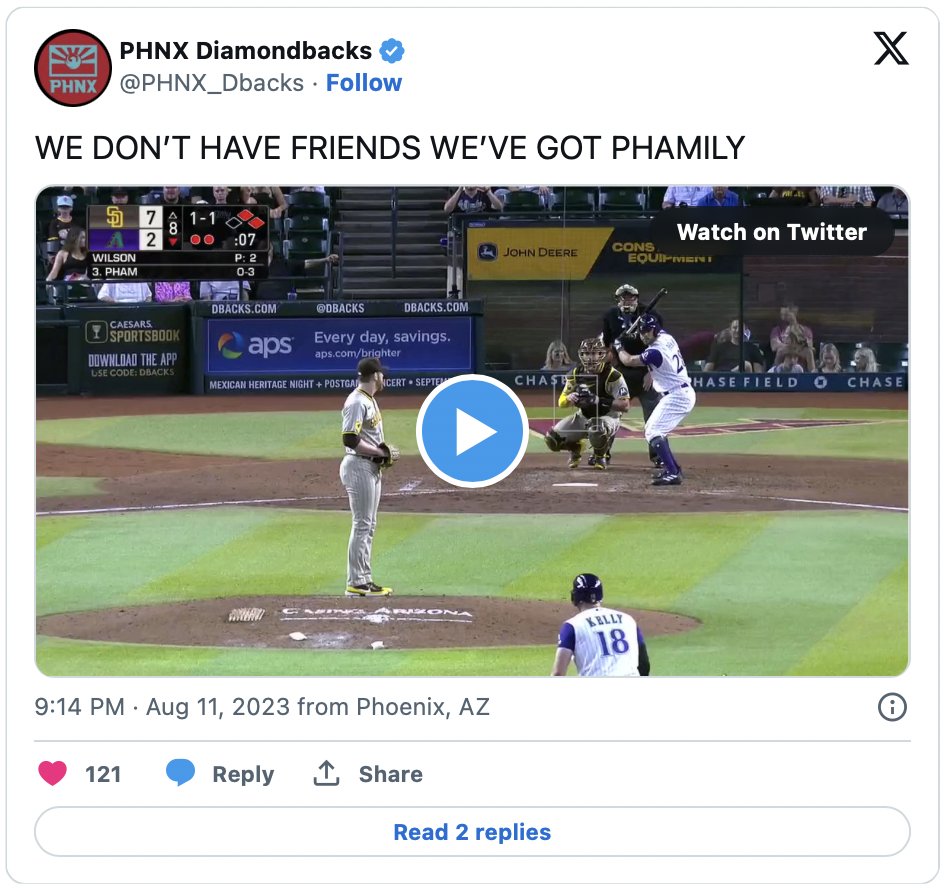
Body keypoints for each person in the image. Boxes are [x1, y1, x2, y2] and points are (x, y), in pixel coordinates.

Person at [340, 357, 400, 597]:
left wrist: (379, 456)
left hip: (370, 468)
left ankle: (364, 579)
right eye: (381, 374)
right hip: (359, 467)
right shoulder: (356, 402)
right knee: (362, 524)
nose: (383, 378)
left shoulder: (368, 400)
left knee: (369, 525)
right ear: (375, 376)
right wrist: (379, 452)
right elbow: (350, 439)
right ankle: (356, 582)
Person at [619, 314, 695, 486]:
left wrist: (619, 347)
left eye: (648, 331)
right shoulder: (667, 337)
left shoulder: (655, 352)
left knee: (653, 432)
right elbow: (644, 340)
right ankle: (673, 468)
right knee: (655, 430)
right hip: (679, 393)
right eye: (642, 332)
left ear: (655, 330)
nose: (645, 335)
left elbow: (629, 361)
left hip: (677, 396)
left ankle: (673, 473)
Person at [543, 337, 630, 470]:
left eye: (594, 353)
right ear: (581, 355)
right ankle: (576, 448)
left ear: (601, 354)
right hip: (583, 416)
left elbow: (625, 406)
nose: (590, 358)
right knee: (552, 440)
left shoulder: (613, 376)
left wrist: (598, 400)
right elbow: (561, 402)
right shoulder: (575, 373)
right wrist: (569, 397)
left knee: (597, 426)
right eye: (587, 354)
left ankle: (600, 455)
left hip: (609, 416)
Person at [602, 284, 663, 466]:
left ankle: (658, 457)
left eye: (631, 298)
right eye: (623, 298)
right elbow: (608, 346)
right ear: (617, 300)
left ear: (637, 299)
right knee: (611, 414)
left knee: (653, 417)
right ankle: (601, 453)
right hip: (622, 373)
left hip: (646, 372)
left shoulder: (651, 315)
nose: (627, 300)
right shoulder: (610, 316)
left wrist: (652, 372)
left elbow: (659, 346)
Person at [551, 573, 650, 678]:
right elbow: (644, 664)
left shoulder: (572, 626)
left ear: (575, 597)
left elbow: (558, 673)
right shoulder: (628, 619)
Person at [770, 304, 815, 371]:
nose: (783, 318)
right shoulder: (781, 351)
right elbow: (774, 370)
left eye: (786, 315)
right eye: (782, 314)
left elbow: (812, 371)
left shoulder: (807, 352)